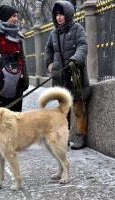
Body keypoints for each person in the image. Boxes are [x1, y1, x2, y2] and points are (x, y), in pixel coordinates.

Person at [45, 0, 90, 150]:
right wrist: (49, 63)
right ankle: (65, 138)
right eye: (56, 14)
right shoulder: (53, 32)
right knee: (64, 109)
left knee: (78, 107)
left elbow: (83, 45)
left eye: (61, 14)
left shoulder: (78, 29)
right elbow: (48, 50)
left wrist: (75, 59)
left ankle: (80, 136)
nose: (59, 17)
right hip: (60, 77)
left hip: (76, 75)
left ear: (68, 14)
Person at [0, 5, 29, 112]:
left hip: (17, 78)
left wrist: (26, 77)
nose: (16, 19)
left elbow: (22, 58)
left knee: (16, 112)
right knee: (2, 112)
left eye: (16, 16)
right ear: (6, 17)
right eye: (14, 16)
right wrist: (5, 59)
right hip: (0, 77)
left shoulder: (18, 35)